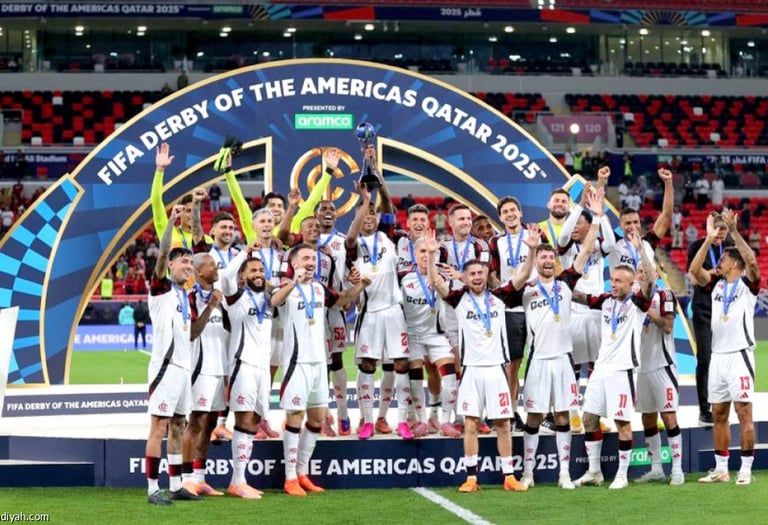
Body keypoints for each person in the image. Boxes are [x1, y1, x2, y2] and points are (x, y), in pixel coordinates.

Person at [429, 227, 538, 493]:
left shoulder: (500, 297)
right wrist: (431, 257)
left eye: (480, 273)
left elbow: (523, 275)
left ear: (487, 274)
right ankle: (471, 478)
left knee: (503, 424)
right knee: (470, 423)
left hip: (496, 370)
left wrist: (533, 250)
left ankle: (509, 477)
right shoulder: (459, 299)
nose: (477, 277)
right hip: (471, 371)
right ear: (465, 278)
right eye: (472, 274)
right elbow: (437, 283)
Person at [517, 190, 603, 490]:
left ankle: (564, 473)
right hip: (538, 360)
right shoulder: (527, 289)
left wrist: (597, 218)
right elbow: (516, 279)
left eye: (550, 257)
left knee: (564, 415)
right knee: (534, 416)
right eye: (542, 257)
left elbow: (585, 251)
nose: (547, 260)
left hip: (564, 359)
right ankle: (528, 473)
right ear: (536, 261)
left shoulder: (566, 283)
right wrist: (530, 251)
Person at [271, 243, 370, 496]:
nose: (311, 262)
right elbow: (274, 301)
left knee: (316, 419)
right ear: (293, 263)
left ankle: (302, 472)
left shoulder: (319, 288)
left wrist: (362, 285)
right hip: (296, 364)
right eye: (306, 258)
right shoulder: (285, 288)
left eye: (313, 259)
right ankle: (289, 477)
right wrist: (294, 282)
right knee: (295, 417)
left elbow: (342, 300)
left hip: (318, 362)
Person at [572, 230, 654, 490]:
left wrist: (641, 251)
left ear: (631, 284)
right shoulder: (606, 301)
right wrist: (559, 283)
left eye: (619, 281)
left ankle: (622, 474)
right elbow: (581, 297)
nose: (614, 284)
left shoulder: (638, 304)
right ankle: (594, 472)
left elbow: (650, 280)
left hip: (623, 371)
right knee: (589, 418)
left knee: (622, 423)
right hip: (600, 370)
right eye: (613, 280)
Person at [690, 210, 760, 485]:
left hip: (739, 356)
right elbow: (694, 271)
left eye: (723, 259)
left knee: (744, 413)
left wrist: (734, 231)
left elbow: (751, 261)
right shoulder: (716, 286)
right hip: (718, 357)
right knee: (719, 414)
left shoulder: (748, 286)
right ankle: (721, 469)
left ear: (734, 264)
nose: (718, 262)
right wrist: (708, 239)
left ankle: (746, 469)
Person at [345, 155, 411, 440]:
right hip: (369, 313)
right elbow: (350, 236)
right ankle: (367, 421)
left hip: (394, 310)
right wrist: (364, 202)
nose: (370, 218)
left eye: (373, 214)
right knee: (367, 365)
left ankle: (400, 420)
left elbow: (389, 204)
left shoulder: (387, 237)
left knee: (400, 364)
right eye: (365, 215)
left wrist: (377, 179)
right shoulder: (353, 244)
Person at [144, 205, 200, 505]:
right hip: (165, 368)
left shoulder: (186, 297)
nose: (188, 266)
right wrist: (171, 223)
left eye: (191, 262)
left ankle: (177, 485)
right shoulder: (161, 288)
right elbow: (163, 251)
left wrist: (211, 306)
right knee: (159, 427)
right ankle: (153, 488)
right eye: (184, 262)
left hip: (183, 368)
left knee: (179, 426)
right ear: (171, 265)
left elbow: (191, 334)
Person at [557, 184, 616, 433]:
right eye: (574, 222)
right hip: (574, 312)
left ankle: (592, 413)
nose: (575, 226)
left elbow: (611, 243)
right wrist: (579, 207)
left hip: (596, 312)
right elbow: (563, 235)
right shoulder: (567, 248)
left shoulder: (598, 246)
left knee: (595, 367)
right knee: (573, 367)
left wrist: (600, 215)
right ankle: (573, 414)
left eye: (580, 222)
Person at [217, 241, 273, 498]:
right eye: (253, 271)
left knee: (255, 420)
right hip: (243, 364)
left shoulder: (270, 299)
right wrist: (245, 253)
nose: (258, 274)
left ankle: (240, 479)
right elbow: (225, 276)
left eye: (261, 270)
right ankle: (237, 481)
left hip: (263, 368)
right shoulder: (236, 297)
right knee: (243, 418)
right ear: (243, 276)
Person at [487, 196, 543, 431]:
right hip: (511, 307)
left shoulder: (536, 234)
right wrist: (503, 289)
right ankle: (509, 411)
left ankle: (542, 410)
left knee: (540, 359)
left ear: (520, 213)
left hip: (536, 303)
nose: (510, 214)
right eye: (505, 212)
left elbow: (548, 262)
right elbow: (491, 273)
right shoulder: (496, 241)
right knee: (512, 363)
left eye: (513, 210)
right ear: (500, 217)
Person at [400, 234, 461, 438]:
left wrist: (434, 259)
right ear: (414, 254)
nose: (426, 255)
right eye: (423, 251)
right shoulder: (403, 276)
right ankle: (420, 420)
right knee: (415, 377)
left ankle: (444, 421)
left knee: (449, 374)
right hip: (413, 334)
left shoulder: (442, 273)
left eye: (430, 252)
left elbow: (444, 292)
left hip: (437, 334)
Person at [180, 253, 228, 497]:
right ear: (199, 271)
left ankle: (200, 477)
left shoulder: (221, 296)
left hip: (220, 367)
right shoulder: (191, 297)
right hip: (200, 368)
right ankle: (186, 479)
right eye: (211, 265)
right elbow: (192, 332)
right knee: (196, 422)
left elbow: (229, 327)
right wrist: (210, 306)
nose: (216, 267)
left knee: (210, 423)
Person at [633, 263, 685, 486]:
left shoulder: (665, 294)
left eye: (647, 271)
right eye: (640, 271)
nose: (643, 274)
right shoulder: (633, 297)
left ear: (656, 274)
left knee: (669, 416)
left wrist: (646, 308)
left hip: (663, 365)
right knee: (647, 417)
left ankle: (677, 470)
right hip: (642, 367)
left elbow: (668, 326)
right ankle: (656, 468)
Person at [687, 213, 731, 426]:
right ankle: (704, 410)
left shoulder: (729, 247)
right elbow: (694, 278)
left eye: (722, 236)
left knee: (724, 359)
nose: (718, 240)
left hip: (724, 309)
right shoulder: (697, 246)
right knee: (705, 358)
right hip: (704, 309)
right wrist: (717, 271)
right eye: (716, 235)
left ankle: (721, 406)